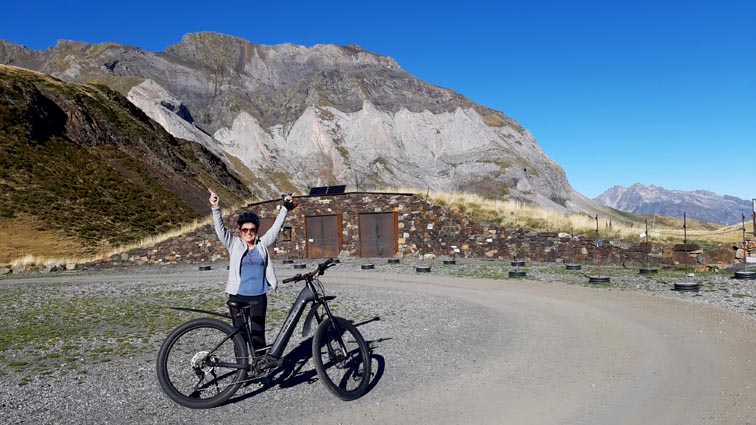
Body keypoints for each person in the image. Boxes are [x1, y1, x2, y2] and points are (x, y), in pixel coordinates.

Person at [208, 188, 298, 366]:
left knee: (258, 334)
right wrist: (215, 207)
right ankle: (241, 370)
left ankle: (260, 367)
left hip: (258, 297)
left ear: (256, 230)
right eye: (245, 230)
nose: (248, 232)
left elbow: (276, 227)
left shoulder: (262, 244)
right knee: (239, 336)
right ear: (239, 230)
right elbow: (220, 230)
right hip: (237, 296)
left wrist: (285, 207)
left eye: (252, 229)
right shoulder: (233, 244)